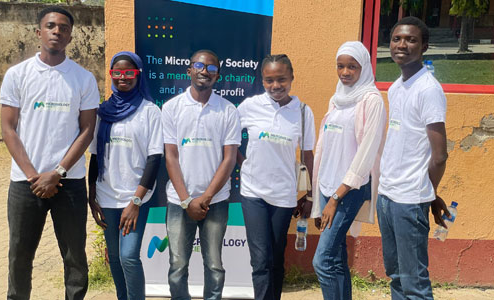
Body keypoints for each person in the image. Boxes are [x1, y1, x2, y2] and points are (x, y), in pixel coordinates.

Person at [0, 6, 99, 300]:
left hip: (68, 182)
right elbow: (8, 129)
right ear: (38, 32)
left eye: (64, 28)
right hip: (25, 183)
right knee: (19, 256)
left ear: (70, 36)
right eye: (51, 26)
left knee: (74, 257)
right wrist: (34, 176)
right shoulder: (18, 75)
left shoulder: (83, 79)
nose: (57, 31)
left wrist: (58, 173)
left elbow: (87, 131)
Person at [377, 16, 449, 299]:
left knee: (414, 284)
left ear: (425, 46)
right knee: (396, 277)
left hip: (409, 200)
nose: (402, 45)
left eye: (411, 40)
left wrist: (427, 193)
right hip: (387, 196)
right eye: (396, 39)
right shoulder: (396, 87)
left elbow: (440, 155)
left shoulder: (428, 89)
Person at [162, 49, 241, 300]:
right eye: (199, 66)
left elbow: (229, 159)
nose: (205, 71)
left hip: (215, 203)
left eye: (212, 68)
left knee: (215, 266)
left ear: (218, 76)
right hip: (178, 201)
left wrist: (205, 197)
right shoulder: (172, 108)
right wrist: (187, 200)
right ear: (189, 71)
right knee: (177, 266)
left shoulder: (228, 111)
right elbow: (171, 156)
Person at [310, 41, 386, 300]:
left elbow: (366, 154)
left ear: (363, 68)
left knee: (323, 260)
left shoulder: (371, 100)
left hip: (349, 189)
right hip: (326, 185)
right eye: (340, 66)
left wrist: (335, 198)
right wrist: (320, 196)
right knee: (337, 257)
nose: (345, 72)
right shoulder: (337, 98)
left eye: (352, 67)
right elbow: (325, 148)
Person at [237, 54, 315, 300]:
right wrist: (243, 163)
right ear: (262, 80)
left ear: (292, 77)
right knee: (260, 258)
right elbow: (228, 139)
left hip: (284, 195)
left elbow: (308, 155)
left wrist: (311, 194)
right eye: (269, 80)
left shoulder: (302, 112)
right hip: (253, 192)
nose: (275, 86)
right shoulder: (250, 106)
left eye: (281, 79)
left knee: (276, 257)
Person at [87, 51, 163, 300]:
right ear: (110, 75)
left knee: (129, 256)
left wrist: (136, 201)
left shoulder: (150, 111)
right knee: (116, 258)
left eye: (129, 73)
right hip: (107, 196)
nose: (122, 77)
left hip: (135, 197)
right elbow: (96, 157)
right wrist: (92, 195)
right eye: (117, 73)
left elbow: (154, 159)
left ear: (138, 75)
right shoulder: (102, 112)